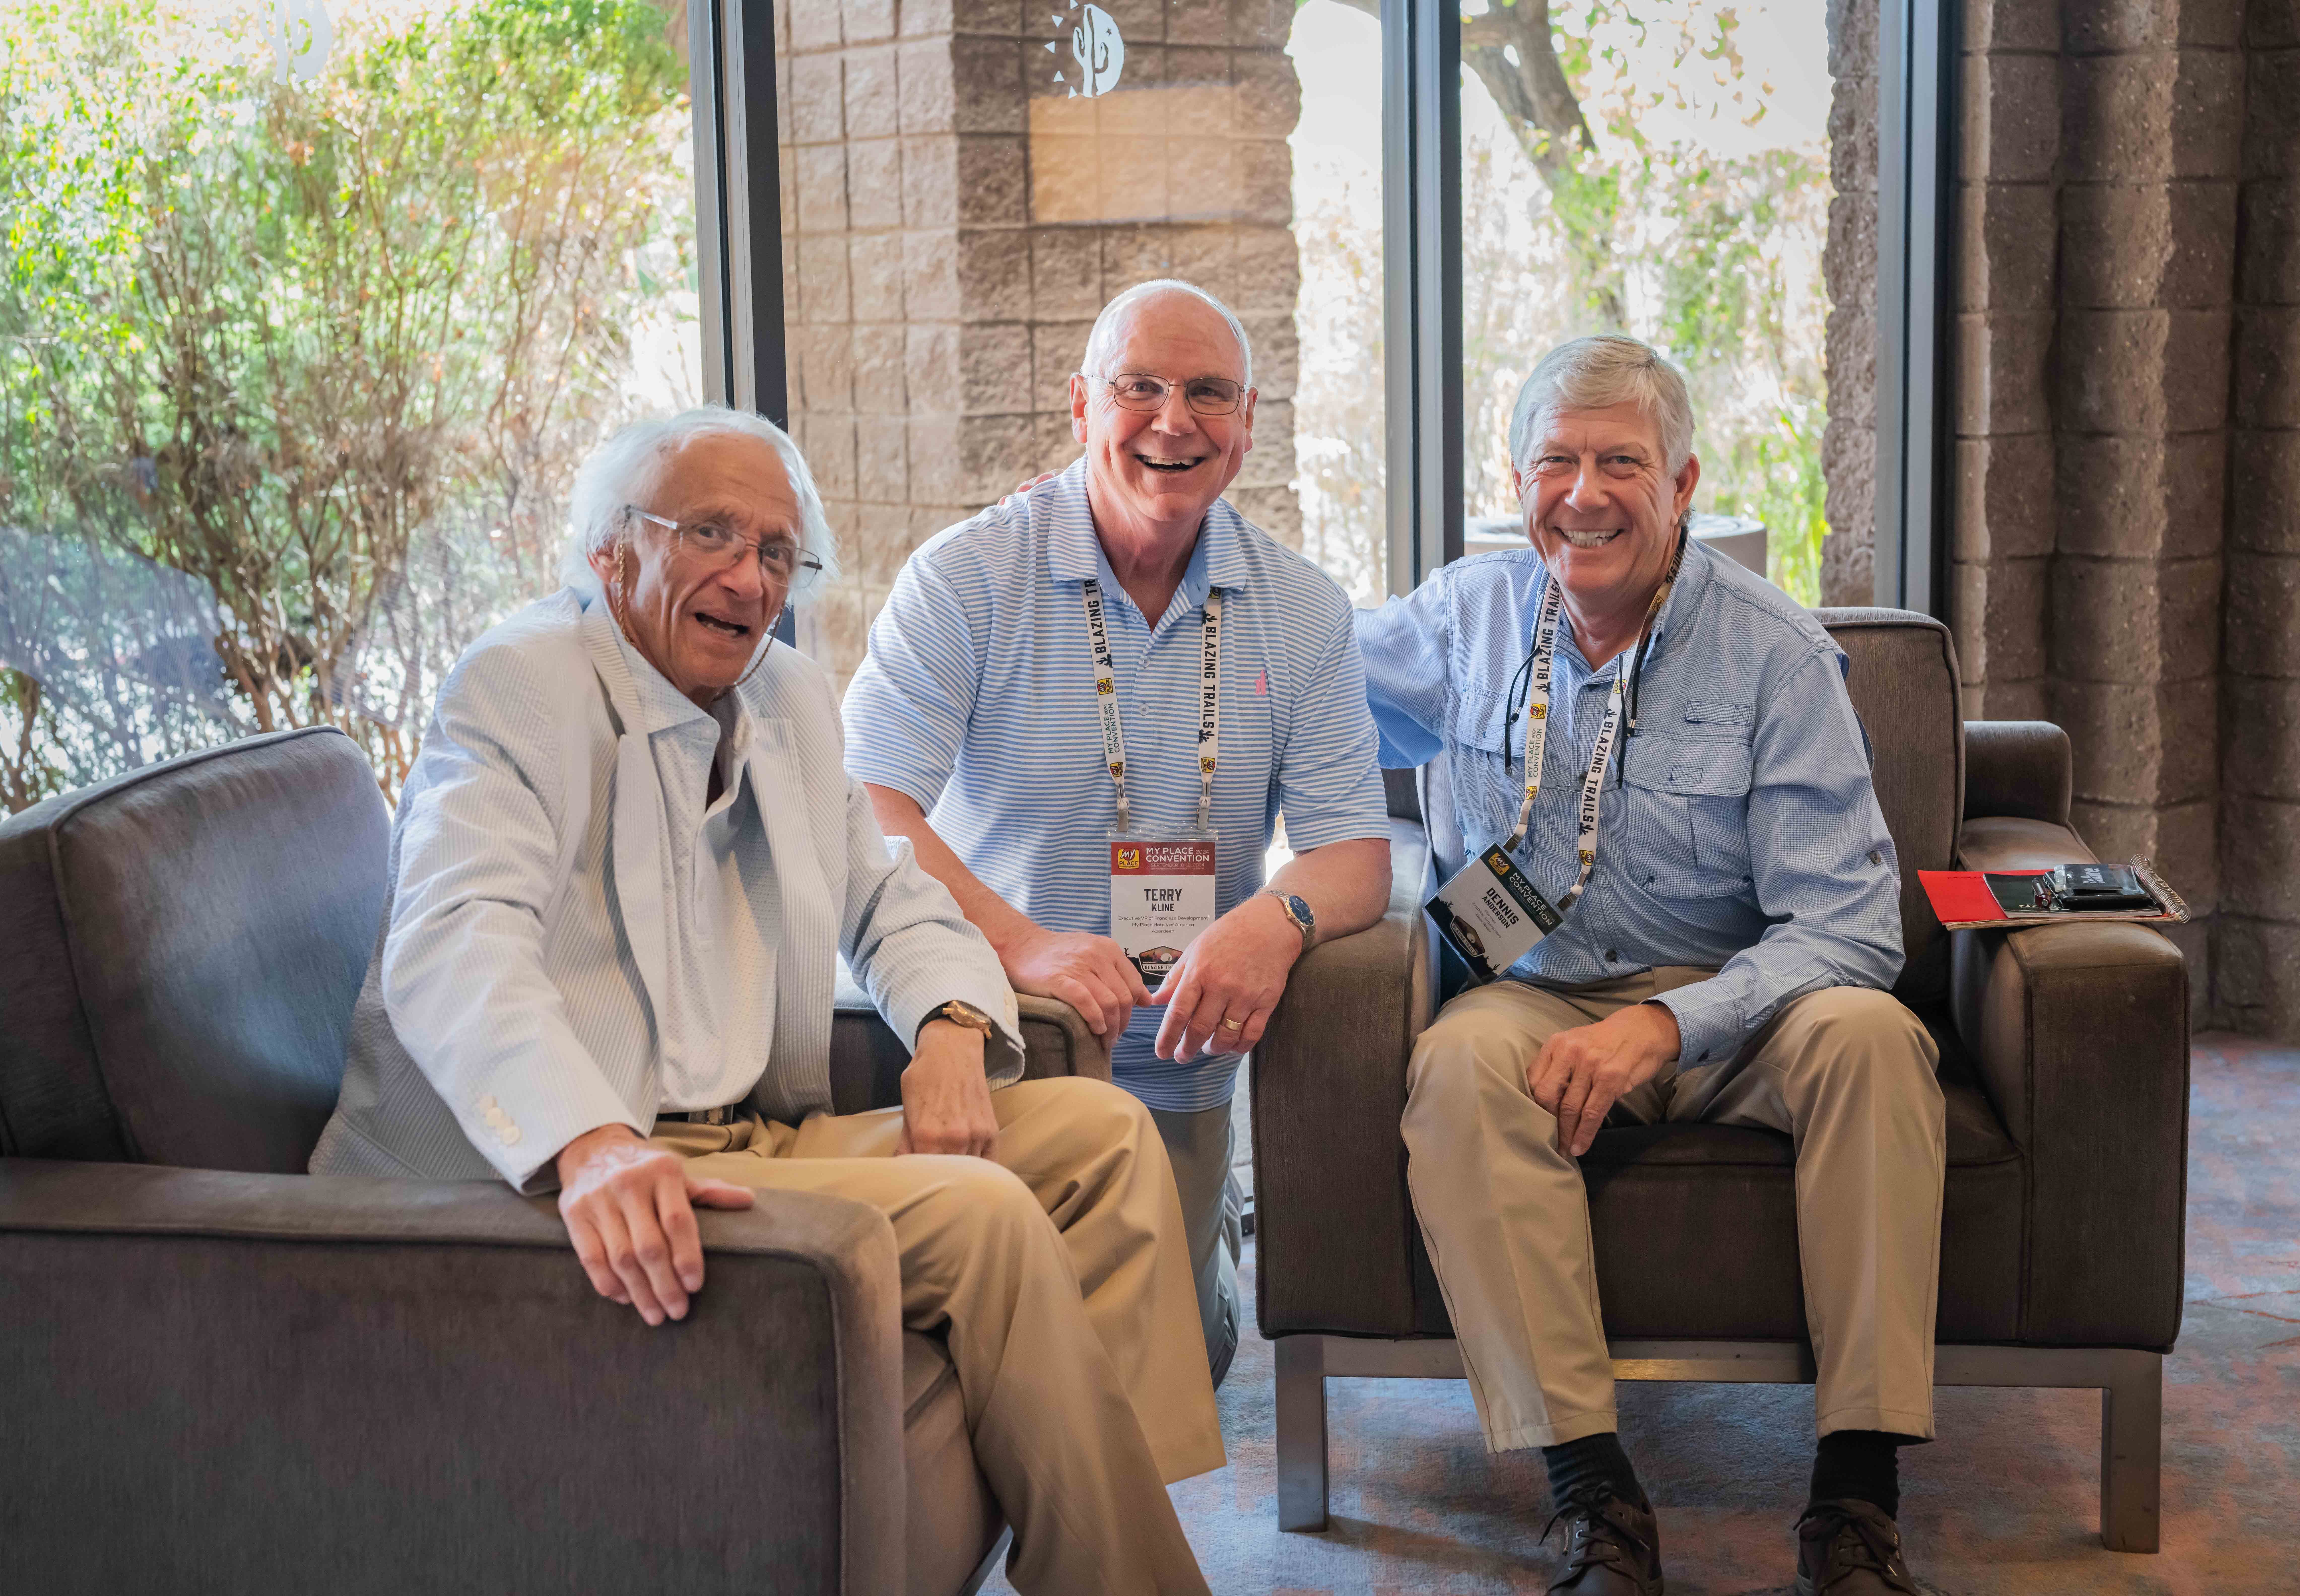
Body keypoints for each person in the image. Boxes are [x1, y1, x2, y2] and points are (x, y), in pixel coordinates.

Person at [309, 407, 1222, 1596]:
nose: (749, 578)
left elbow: (889, 897)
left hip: (756, 1138)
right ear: (609, 550)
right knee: (988, 1217)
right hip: (562, 1179)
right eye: (711, 534)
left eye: (779, 553)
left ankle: (1104, 1539)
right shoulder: (518, 687)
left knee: (1103, 1139)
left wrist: (950, 1027)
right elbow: (455, 936)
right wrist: (586, 1147)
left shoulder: (786, 694)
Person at [1357, 335, 1944, 1596]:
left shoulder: (1777, 657)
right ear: (1518, 482)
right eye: (1556, 461)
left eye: (1621, 462)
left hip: (1743, 1010)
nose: (1585, 493)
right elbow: (1296, 689)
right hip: (1536, 1000)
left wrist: (1672, 1027)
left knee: (1878, 1042)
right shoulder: (1463, 618)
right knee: (1455, 1070)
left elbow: (1854, 933)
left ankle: (1856, 1504)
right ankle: (1593, 1499)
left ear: (1682, 486)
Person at [842, 279, 1394, 1386]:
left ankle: (1210, 1269)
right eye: (1138, 388)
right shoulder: (966, 578)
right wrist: (1022, 943)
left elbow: (1355, 858)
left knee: (1168, 1364)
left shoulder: (1303, 609)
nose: (1173, 420)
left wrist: (1276, 918)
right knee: (1024, 1364)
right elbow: (865, 805)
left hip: (1183, 1054)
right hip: (1006, 1034)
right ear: (1082, 409)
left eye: (1207, 394)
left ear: (1245, 432)